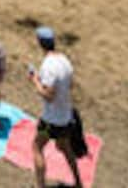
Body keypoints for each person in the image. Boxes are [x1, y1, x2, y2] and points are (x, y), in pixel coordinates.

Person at [26, 27, 85, 187]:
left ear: (40, 43)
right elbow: (70, 84)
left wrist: (35, 81)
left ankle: (40, 186)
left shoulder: (48, 65)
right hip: (65, 116)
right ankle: (78, 181)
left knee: (37, 147)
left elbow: (49, 96)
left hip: (51, 121)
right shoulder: (64, 60)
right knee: (66, 148)